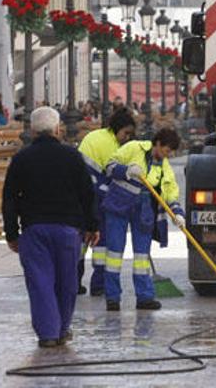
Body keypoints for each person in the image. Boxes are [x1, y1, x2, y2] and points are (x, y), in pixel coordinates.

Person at [2, 107, 99, 348]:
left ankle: (48, 333)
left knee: (40, 282)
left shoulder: (21, 158)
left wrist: (12, 233)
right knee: (67, 282)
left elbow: (10, 198)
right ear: (58, 129)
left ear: (32, 131)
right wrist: (92, 226)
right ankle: (63, 327)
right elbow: (88, 194)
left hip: (34, 230)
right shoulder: (72, 156)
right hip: (68, 230)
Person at [102, 128, 184, 312]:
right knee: (114, 253)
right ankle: (112, 298)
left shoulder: (164, 166)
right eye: (166, 150)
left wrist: (177, 213)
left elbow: (170, 191)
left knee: (141, 255)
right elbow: (108, 166)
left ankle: (145, 297)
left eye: (170, 152)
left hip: (143, 209)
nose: (167, 155)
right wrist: (126, 171)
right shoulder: (134, 148)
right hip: (118, 205)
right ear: (158, 143)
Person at [77, 108, 137, 296]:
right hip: (98, 198)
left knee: (80, 243)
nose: (127, 138)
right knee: (101, 242)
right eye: (126, 133)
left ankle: (73, 284)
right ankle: (99, 285)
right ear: (117, 129)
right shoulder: (112, 147)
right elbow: (114, 177)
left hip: (81, 196)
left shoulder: (94, 136)